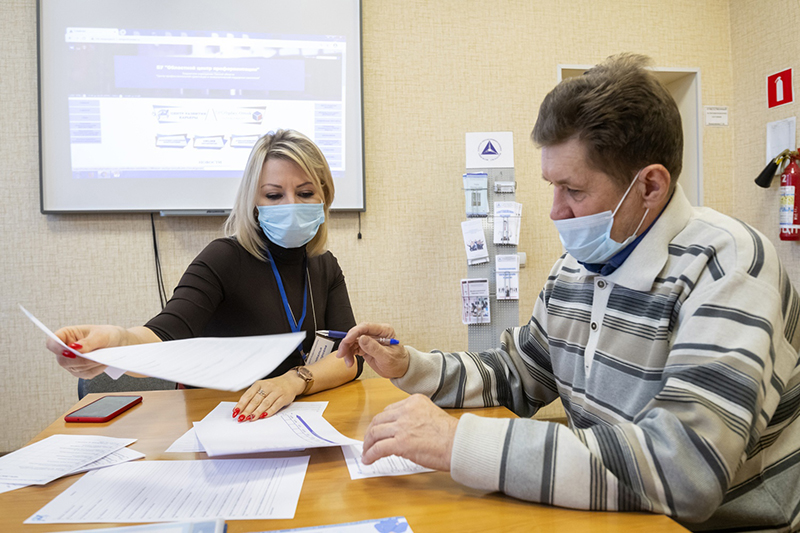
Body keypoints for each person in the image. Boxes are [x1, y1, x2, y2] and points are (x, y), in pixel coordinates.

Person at [338, 54, 800, 532]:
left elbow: (684, 469)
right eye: (552, 187)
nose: (556, 212)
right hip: (610, 515)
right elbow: (520, 372)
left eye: (573, 190)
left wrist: (460, 444)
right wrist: (412, 366)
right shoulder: (576, 267)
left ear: (650, 186)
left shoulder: (729, 267)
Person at [48, 129, 363, 421]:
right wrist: (119, 341)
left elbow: (350, 357)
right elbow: (164, 335)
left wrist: (294, 381)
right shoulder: (224, 258)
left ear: (324, 198)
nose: (291, 205)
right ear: (253, 202)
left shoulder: (324, 265)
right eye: (273, 195)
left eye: (305, 193)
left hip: (300, 419)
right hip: (226, 423)